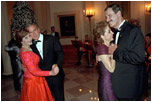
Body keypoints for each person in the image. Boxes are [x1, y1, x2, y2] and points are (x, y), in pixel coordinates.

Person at [105, 4, 145, 100]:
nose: (107, 19)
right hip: (118, 83)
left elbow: (139, 57)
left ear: (118, 14)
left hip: (130, 86)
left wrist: (116, 52)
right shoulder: (114, 33)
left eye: (109, 16)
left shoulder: (133, 30)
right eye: (106, 17)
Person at [15, 29, 59, 101]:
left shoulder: (24, 48)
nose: (30, 38)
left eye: (29, 36)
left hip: (31, 78)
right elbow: (34, 71)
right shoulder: (26, 53)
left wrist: (23, 65)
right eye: (26, 38)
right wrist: (50, 73)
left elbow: (25, 61)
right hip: (34, 81)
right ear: (21, 41)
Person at [26, 23, 65, 101]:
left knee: (59, 97)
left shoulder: (52, 39)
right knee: (47, 98)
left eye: (34, 30)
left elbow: (60, 53)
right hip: (42, 77)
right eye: (30, 32)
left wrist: (57, 64)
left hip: (56, 74)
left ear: (38, 29)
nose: (33, 34)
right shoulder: (30, 45)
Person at [94, 21, 117, 101]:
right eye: (109, 31)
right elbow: (111, 69)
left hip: (111, 81)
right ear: (102, 36)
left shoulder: (107, 47)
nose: (112, 32)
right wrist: (114, 53)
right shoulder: (102, 47)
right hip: (107, 83)